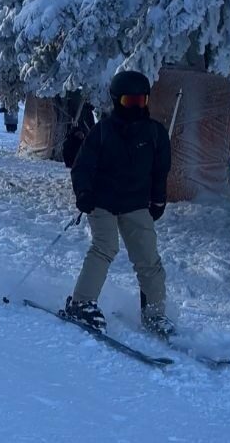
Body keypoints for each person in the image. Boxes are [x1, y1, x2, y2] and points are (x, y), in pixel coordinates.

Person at [66, 70, 173, 337]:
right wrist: (84, 193)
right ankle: (81, 303)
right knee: (105, 247)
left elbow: (160, 171)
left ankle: (155, 315)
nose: (136, 107)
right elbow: (82, 167)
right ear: (116, 101)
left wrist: (158, 200)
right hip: (102, 203)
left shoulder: (155, 134)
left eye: (141, 101)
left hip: (136, 203)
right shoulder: (102, 132)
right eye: (129, 102)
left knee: (148, 259)